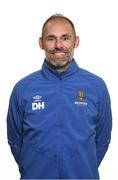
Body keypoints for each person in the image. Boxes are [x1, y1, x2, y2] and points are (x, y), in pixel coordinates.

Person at [7, 14, 112, 179]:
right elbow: (15, 141)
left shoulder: (96, 87)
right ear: (41, 43)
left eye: (65, 38)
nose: (58, 45)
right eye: (51, 39)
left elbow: (103, 140)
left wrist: (81, 167)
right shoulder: (23, 89)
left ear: (76, 41)